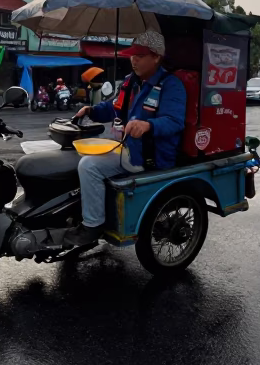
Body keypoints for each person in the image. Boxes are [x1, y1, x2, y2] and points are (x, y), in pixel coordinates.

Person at [63, 30, 186, 247]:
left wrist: (148, 125)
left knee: (89, 166)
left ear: (156, 57)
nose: (134, 60)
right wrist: (91, 110)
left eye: (140, 56)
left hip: (148, 156)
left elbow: (175, 121)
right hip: (126, 147)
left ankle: (92, 225)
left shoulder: (171, 85)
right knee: (74, 156)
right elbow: (113, 107)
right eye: (132, 55)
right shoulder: (131, 82)